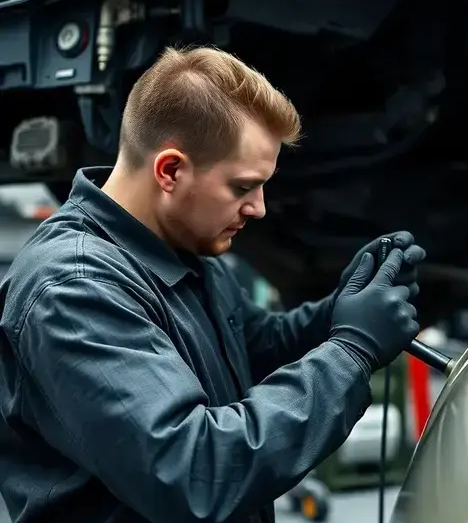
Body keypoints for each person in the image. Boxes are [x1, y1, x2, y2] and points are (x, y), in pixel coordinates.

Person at [0, 46, 426, 523]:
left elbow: (254, 346)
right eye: (242, 187)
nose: (259, 208)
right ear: (170, 170)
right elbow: (193, 470)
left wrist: (338, 311)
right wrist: (352, 349)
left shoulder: (181, 246)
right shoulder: (73, 290)